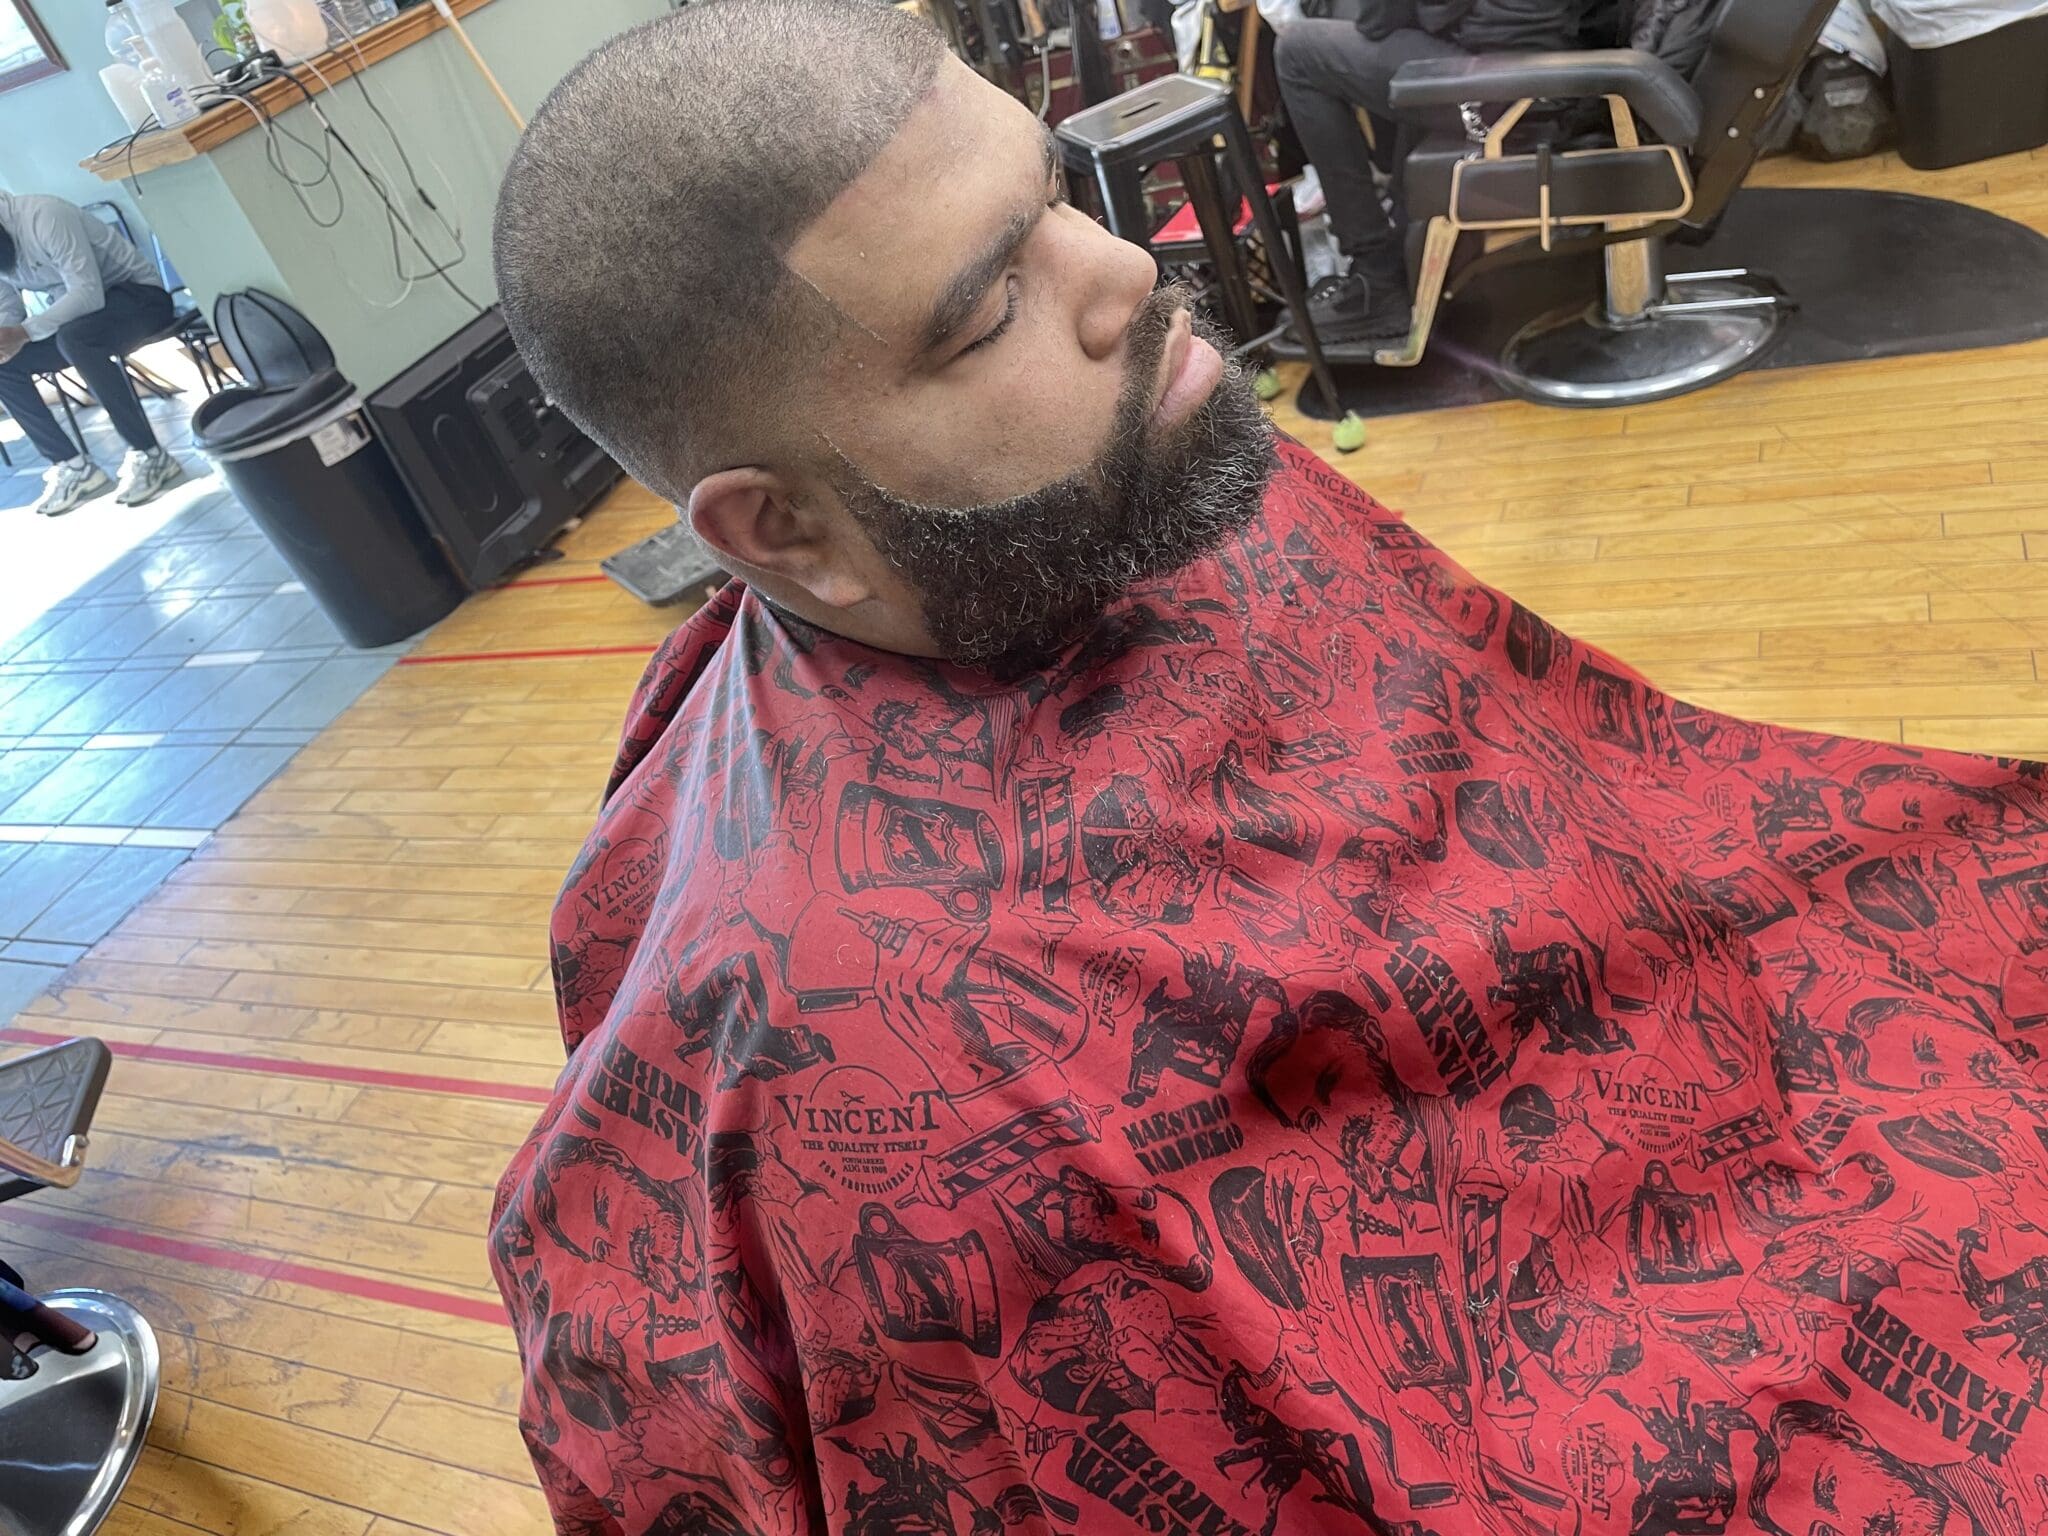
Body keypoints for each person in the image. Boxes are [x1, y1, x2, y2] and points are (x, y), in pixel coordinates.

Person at [486, 4, 2048, 1533]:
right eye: (988, 310)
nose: (1126, 274)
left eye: (1055, 194)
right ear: (783, 532)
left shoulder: (1124, 475)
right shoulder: (897, 1091)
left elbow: (1554, 760)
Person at [1275, 0, 1587, 342]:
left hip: (1515, 89)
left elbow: (1378, 19)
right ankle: (1401, 250)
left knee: (1297, 52)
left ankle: (1376, 278)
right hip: (1547, 61)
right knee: (1398, 48)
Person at [0, 191, 186, 517]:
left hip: (140, 297)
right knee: (5, 364)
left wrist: (24, 332)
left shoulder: (43, 215)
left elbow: (88, 293)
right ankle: (73, 466)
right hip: (78, 322)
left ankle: (151, 453)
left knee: (75, 340)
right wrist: (5, 337)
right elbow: (8, 307)